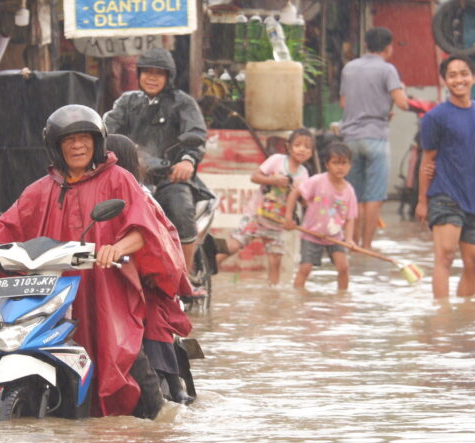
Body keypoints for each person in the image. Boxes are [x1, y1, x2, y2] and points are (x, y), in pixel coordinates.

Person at [0, 105, 187, 418]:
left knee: (123, 356)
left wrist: (117, 247)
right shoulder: (41, 188)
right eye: (69, 140)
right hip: (54, 289)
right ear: (56, 146)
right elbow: (8, 225)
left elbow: (143, 229)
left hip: (106, 288)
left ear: (97, 141)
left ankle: (158, 420)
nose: (77, 146)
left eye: (84, 138)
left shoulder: (119, 179)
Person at [103, 48, 209, 287]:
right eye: (147, 72)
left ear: (168, 76)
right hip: (131, 179)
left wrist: (187, 160)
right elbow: (106, 130)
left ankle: (185, 277)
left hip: (168, 178)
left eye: (158, 73)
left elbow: (195, 135)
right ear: (139, 74)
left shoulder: (182, 102)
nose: (152, 78)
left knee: (181, 209)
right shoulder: (127, 101)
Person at [106, 133, 194, 404]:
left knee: (153, 318)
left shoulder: (140, 195)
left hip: (143, 280)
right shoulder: (85, 193)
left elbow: (158, 242)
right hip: (101, 275)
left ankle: (172, 385)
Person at [215, 128, 314, 286]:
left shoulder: (304, 174)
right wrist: (274, 181)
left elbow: (303, 201)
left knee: (275, 262)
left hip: (277, 223)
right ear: (288, 147)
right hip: (256, 216)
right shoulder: (277, 160)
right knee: (234, 245)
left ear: (311, 152)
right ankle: (205, 268)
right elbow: (255, 177)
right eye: (298, 145)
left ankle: (272, 296)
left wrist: (299, 193)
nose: (302, 149)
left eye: (307, 147)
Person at [339, 26, 408, 250]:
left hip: (350, 139)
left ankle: (353, 243)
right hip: (376, 137)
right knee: (374, 197)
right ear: (389, 47)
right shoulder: (388, 70)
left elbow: (344, 103)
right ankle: (367, 247)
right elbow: (402, 103)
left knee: (355, 196)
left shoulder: (349, 68)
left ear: (366, 45)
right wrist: (400, 92)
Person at [415, 56, 475, 299]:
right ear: (445, 81)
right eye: (452, 75)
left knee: (472, 262)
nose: (459, 79)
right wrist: (421, 200)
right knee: (446, 255)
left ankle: (461, 320)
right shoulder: (435, 117)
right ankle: (442, 318)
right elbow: (427, 160)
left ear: (472, 77)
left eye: (464, 73)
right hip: (445, 193)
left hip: (472, 196)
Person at [284, 143, 358, 291]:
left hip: (335, 236)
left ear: (350, 165)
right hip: (311, 234)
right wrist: (288, 217)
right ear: (327, 165)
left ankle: (342, 299)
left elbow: (350, 218)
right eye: (335, 163)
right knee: (305, 269)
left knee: (343, 268)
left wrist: (349, 239)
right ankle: (298, 297)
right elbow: (295, 193)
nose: (340, 168)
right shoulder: (318, 181)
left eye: (344, 163)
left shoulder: (349, 190)